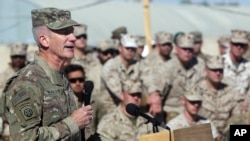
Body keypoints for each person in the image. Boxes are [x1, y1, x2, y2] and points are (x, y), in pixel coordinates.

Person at [0, 7, 93, 140]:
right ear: (44, 40)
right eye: (65, 32)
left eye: (72, 32)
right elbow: (26, 138)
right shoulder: (27, 83)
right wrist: (72, 124)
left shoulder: (60, 77)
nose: (73, 37)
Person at [148, 33, 205, 122]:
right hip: (174, 111)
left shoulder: (199, 64)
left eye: (190, 49)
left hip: (197, 110)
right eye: (184, 49)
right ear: (177, 49)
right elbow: (155, 88)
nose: (187, 52)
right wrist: (156, 101)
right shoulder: (167, 67)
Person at [195, 55, 240, 139]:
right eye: (214, 70)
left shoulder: (231, 92)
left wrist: (227, 134)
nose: (218, 73)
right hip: (202, 135)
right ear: (206, 71)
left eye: (220, 70)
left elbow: (236, 117)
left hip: (225, 135)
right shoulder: (196, 91)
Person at [0, 43, 28, 141]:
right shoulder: (4, 76)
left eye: (21, 57)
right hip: (9, 121)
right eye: (15, 57)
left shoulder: (30, 72)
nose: (18, 60)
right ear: (11, 58)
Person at [222, 29, 250, 95]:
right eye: (236, 44)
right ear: (230, 44)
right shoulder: (220, 63)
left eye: (242, 45)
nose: (239, 47)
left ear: (246, 46)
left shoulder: (248, 66)